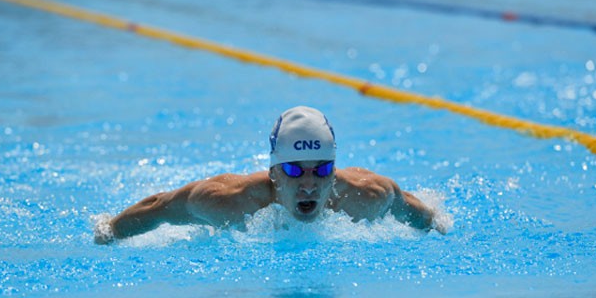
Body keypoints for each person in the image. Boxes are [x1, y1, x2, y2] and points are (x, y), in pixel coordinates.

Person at [95, 106, 445, 244]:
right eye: (294, 170)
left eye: (321, 170)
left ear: (334, 172)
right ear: (274, 173)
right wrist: (110, 230)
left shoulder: (367, 196)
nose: (309, 183)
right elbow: (161, 206)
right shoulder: (229, 202)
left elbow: (411, 207)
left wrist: (438, 224)